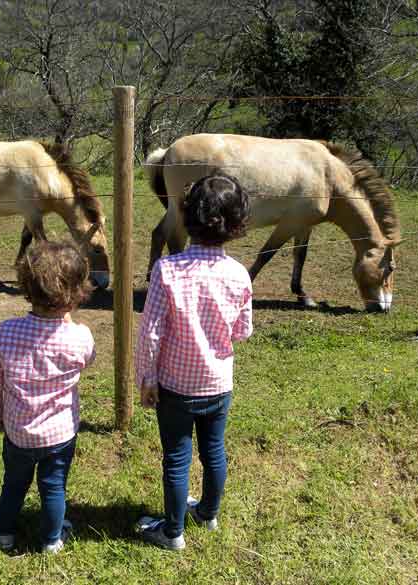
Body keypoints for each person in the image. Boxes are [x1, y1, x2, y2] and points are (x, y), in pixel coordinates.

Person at [134, 173, 253, 550]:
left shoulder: (166, 271)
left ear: (187, 216)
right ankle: (207, 513)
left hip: (175, 387)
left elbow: (150, 333)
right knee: (214, 449)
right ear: (236, 224)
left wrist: (146, 379)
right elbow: (242, 331)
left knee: (176, 458)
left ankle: (172, 532)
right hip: (219, 384)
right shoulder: (239, 274)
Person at [0, 240, 95, 553]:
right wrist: (68, 321)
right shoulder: (80, 338)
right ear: (77, 293)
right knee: (54, 486)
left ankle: (4, 533)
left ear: (26, 287)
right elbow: (89, 359)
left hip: (18, 432)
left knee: (14, 484)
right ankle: (52, 540)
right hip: (60, 433)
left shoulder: (6, 332)